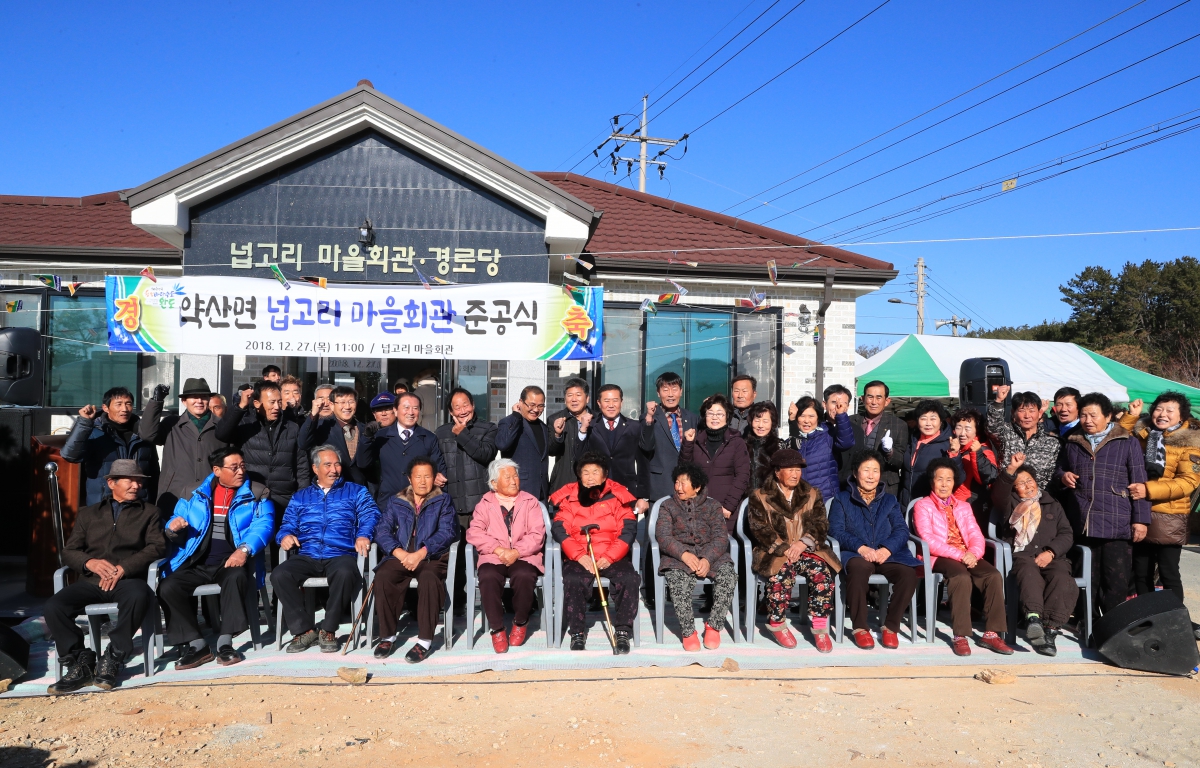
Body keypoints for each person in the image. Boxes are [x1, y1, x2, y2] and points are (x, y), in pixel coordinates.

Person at [45, 460, 165, 694]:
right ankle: (81, 662)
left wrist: (124, 568)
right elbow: (69, 551)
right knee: (53, 606)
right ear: (112, 483)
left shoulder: (150, 513)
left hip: (128, 580)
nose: (136, 485)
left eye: (139, 480)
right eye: (129, 480)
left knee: (140, 595)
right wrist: (88, 562)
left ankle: (114, 656)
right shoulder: (88, 514)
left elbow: (157, 548)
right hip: (91, 581)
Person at [157, 447, 274, 669]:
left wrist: (244, 550)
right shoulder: (193, 492)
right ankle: (197, 644)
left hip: (231, 560)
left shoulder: (257, 492)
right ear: (217, 470)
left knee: (236, 577)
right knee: (167, 586)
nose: (240, 471)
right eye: (234, 467)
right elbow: (175, 519)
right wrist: (172, 528)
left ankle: (225, 642)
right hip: (197, 559)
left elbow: (264, 525)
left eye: (242, 466)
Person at [272, 445, 378, 653]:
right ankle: (304, 630)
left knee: (346, 572)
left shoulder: (356, 492)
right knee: (279, 574)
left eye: (337, 464)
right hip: (308, 553)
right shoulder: (301, 497)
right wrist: (284, 536)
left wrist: (364, 534)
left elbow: (371, 515)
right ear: (315, 468)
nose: (334, 469)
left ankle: (328, 629)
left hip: (341, 553)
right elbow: (287, 524)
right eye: (327, 465)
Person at [1058, 392, 1151, 615]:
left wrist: (1141, 520)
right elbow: (1058, 469)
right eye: (1083, 415)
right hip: (1082, 519)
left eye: (1093, 415)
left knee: (1115, 579)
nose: (1088, 420)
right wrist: (1062, 476)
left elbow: (1139, 482)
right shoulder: (1073, 441)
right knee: (1085, 575)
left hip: (1116, 521)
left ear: (1108, 416)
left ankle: (1113, 622)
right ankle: (1086, 621)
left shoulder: (1127, 442)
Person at [913, 458, 1012, 656]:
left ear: (954, 482)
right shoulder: (923, 506)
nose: (944, 484)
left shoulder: (963, 506)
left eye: (948, 480)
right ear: (932, 482)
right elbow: (928, 539)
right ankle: (960, 635)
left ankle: (991, 634)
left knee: (992, 575)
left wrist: (973, 554)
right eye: (939, 479)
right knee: (960, 577)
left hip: (967, 554)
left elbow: (975, 533)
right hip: (940, 555)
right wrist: (961, 555)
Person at [746, 449, 840, 652]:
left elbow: (821, 524)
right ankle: (777, 623)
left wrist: (802, 543)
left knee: (822, 574)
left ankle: (820, 628)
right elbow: (759, 528)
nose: (795, 474)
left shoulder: (812, 494)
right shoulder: (759, 496)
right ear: (777, 472)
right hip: (775, 552)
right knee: (780, 574)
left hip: (807, 549)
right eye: (790, 469)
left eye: (798, 469)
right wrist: (784, 548)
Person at [827, 451, 922, 650]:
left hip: (888, 554)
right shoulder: (841, 499)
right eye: (866, 470)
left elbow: (901, 530)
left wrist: (887, 549)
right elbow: (836, 530)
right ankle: (860, 627)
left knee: (907, 573)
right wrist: (860, 547)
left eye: (875, 471)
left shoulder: (889, 501)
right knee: (858, 569)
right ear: (855, 473)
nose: (871, 476)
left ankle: (891, 627)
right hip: (856, 553)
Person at [1119, 393, 1200, 621]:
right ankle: (1148, 617)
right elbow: (1116, 438)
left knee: (1168, 572)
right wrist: (1130, 417)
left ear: (1181, 415)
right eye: (1158, 409)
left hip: (1169, 515)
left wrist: (1149, 489)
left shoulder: (1191, 441)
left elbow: (1189, 482)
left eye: (1169, 410)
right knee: (1141, 571)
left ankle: (1177, 619)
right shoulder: (1143, 433)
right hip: (1139, 512)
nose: (1162, 414)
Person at [550, 452, 639, 653]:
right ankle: (577, 632)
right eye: (585, 472)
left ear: (604, 475)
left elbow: (628, 530)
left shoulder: (617, 497)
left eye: (595, 472)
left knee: (629, 579)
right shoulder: (569, 497)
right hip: (580, 556)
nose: (590, 477)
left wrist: (609, 557)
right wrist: (579, 556)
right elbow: (559, 529)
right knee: (573, 579)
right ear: (579, 476)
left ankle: (623, 630)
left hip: (612, 555)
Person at [372, 456, 457, 662]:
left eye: (427, 476)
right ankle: (388, 636)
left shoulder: (442, 500)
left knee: (428, 578)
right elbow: (382, 530)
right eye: (417, 476)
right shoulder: (397, 501)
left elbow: (447, 532)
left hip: (430, 556)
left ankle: (425, 641)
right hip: (401, 553)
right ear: (410, 479)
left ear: (434, 478)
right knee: (383, 575)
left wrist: (421, 553)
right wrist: (399, 552)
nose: (422, 481)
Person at [991, 465, 1078, 656]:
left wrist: (1051, 552)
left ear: (1036, 481)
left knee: (1063, 579)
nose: (1027, 485)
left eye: (1029, 480)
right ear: (1014, 489)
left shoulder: (1052, 504)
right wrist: (1011, 469)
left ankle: (1050, 630)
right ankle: (1033, 619)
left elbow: (1066, 533)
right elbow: (999, 492)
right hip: (1024, 555)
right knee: (1029, 574)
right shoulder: (1010, 503)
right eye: (1020, 483)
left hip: (1053, 557)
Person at [466, 458, 545, 653]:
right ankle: (497, 628)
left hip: (524, 555)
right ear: (494, 483)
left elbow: (537, 533)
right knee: (488, 576)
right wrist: (498, 549)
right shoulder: (485, 503)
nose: (513, 480)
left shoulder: (530, 501)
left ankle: (520, 621)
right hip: (494, 555)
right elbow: (474, 532)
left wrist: (516, 551)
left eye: (515, 475)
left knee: (525, 575)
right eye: (507, 477)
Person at [655, 463, 736, 651]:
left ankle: (714, 625)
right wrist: (684, 554)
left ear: (697, 487)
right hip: (678, 557)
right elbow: (663, 536)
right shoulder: (668, 506)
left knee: (728, 576)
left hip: (712, 556)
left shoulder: (713, 506)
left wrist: (707, 559)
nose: (678, 487)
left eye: (684, 483)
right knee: (677, 581)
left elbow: (720, 537)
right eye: (676, 482)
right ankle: (688, 631)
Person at [436, 387, 498, 611]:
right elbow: (436, 460)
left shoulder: (488, 428)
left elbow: (485, 454)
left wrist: (462, 433)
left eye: (465, 405)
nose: (462, 410)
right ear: (450, 410)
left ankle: (490, 600)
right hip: (453, 503)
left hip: (481, 506)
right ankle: (458, 602)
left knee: (487, 555)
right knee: (457, 557)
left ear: (473, 405)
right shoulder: (441, 432)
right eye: (456, 407)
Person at [215, 381, 309, 517]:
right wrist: (241, 406)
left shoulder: (292, 428)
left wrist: (301, 497)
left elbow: (301, 466)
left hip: (285, 500)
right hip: (251, 498)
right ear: (257, 403)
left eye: (279, 401)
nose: (277, 407)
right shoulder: (246, 425)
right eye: (272, 402)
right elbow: (221, 434)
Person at [138, 378, 227, 512]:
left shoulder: (221, 426)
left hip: (212, 494)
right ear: (184, 401)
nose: (199, 401)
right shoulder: (172, 424)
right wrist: (156, 402)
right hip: (175, 494)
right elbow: (146, 434)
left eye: (203, 397)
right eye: (194, 397)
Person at [62, 386, 160, 506]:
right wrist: (84, 422)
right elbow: (70, 455)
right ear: (105, 408)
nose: (124, 409)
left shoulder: (143, 433)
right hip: (103, 506)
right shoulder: (94, 432)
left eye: (128, 404)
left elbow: (154, 473)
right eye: (118, 404)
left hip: (139, 505)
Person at [358, 391, 446, 506]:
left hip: (418, 504)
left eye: (415, 408)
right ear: (395, 410)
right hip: (387, 503)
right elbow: (363, 463)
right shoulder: (380, 436)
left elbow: (439, 469)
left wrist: (436, 475)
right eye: (406, 407)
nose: (411, 412)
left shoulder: (429, 438)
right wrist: (366, 438)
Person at [679, 394, 751, 533]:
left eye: (719, 414)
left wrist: (729, 506)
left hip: (725, 510)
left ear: (727, 416)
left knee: (723, 550)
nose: (714, 417)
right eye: (710, 413)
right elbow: (683, 471)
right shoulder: (696, 439)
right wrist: (687, 443)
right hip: (697, 508)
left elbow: (742, 476)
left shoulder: (736, 442)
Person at [577, 384, 650, 513]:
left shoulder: (634, 427)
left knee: (627, 530)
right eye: (606, 401)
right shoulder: (590, 426)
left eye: (615, 400)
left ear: (621, 402)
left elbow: (643, 463)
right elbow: (579, 457)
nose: (611, 405)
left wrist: (643, 496)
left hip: (627, 491)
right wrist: (582, 430)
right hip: (597, 491)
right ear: (599, 403)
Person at [841, 380, 909, 497]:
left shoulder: (899, 425)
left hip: (885, 486)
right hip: (853, 484)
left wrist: (889, 451)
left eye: (879, 397)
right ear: (862, 399)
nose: (874, 402)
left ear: (887, 401)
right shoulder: (850, 421)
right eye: (870, 397)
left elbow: (901, 461)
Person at [638, 371, 698, 501]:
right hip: (659, 487)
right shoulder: (648, 417)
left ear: (681, 391)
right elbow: (646, 446)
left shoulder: (692, 418)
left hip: (687, 487)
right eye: (665, 390)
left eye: (674, 389)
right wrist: (649, 418)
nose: (670, 394)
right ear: (658, 393)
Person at [988, 387, 1060, 491]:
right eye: (1021, 410)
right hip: (1008, 496)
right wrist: (998, 401)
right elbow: (992, 426)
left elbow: (1054, 475)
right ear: (1013, 413)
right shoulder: (1006, 433)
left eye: (1032, 411)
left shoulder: (1052, 442)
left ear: (1039, 413)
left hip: (1038, 498)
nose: (1027, 416)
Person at [784, 396, 853, 503]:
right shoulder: (791, 440)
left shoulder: (828, 435)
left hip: (826, 498)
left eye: (811, 416)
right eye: (802, 416)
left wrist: (841, 416)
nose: (806, 421)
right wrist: (792, 421)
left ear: (818, 418)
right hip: (799, 501)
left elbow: (846, 442)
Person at [298, 385, 370, 486]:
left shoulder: (364, 429)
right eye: (342, 402)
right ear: (332, 405)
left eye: (351, 402)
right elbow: (303, 443)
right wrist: (313, 415)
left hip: (360, 491)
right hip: (332, 490)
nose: (347, 407)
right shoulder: (322, 427)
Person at [947, 408, 1000, 532]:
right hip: (954, 506)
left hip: (972, 508)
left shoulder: (984, 450)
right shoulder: (955, 448)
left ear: (977, 431)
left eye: (968, 429)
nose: (962, 433)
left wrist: (976, 453)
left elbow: (988, 477)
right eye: (959, 427)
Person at [899, 400, 960, 507]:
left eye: (933, 418)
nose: (928, 423)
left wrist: (954, 454)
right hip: (905, 503)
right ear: (917, 421)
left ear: (941, 421)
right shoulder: (911, 441)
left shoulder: (948, 444)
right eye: (923, 418)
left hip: (931, 507)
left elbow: (959, 478)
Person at [496, 385, 552, 501]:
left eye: (540, 406)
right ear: (521, 402)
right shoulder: (508, 422)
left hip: (541, 494)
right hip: (519, 491)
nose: (536, 410)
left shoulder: (543, 427)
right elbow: (502, 444)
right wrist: (516, 416)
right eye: (531, 405)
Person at [549, 377, 593, 495]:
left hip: (591, 484)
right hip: (563, 482)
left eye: (578, 395)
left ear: (587, 398)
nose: (574, 399)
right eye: (570, 395)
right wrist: (557, 434)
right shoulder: (555, 419)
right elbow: (551, 451)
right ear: (565, 399)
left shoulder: (596, 419)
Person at [743, 401, 782, 492]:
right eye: (757, 420)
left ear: (772, 423)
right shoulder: (742, 446)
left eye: (765, 421)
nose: (760, 425)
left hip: (771, 500)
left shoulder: (780, 446)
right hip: (746, 500)